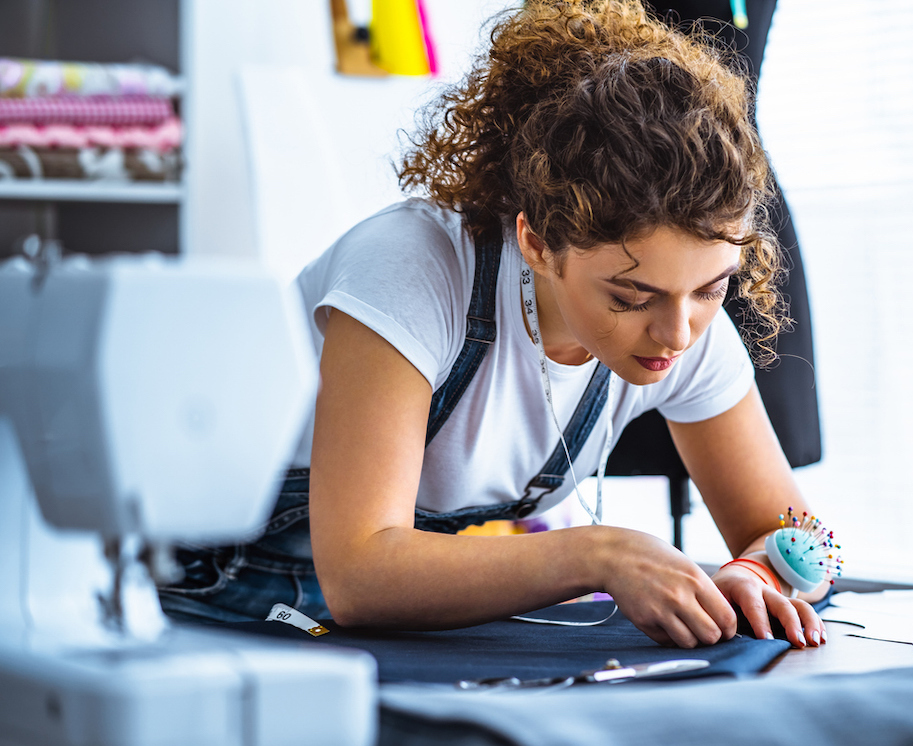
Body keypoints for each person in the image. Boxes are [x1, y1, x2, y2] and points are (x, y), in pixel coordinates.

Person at [160, 0, 829, 650]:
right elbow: (359, 572)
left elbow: (797, 534)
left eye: (711, 289)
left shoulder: (684, 327)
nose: (679, 333)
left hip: (398, 636)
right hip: (225, 607)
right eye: (631, 297)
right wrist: (600, 554)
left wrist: (756, 571)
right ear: (537, 243)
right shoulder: (414, 269)